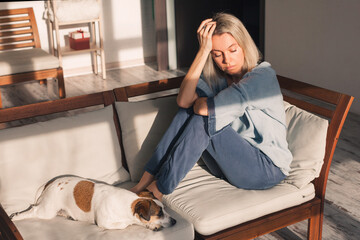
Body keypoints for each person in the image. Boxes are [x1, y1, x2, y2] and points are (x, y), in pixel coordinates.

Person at [130, 13, 292, 201]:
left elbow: (205, 110)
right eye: (217, 54)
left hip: (266, 168)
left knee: (205, 116)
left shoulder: (262, 76)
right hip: (230, 165)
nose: (227, 60)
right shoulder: (219, 79)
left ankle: (159, 189)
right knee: (191, 109)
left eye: (233, 50)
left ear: (244, 46)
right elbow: (184, 101)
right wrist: (202, 51)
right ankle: (144, 181)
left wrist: (202, 105)